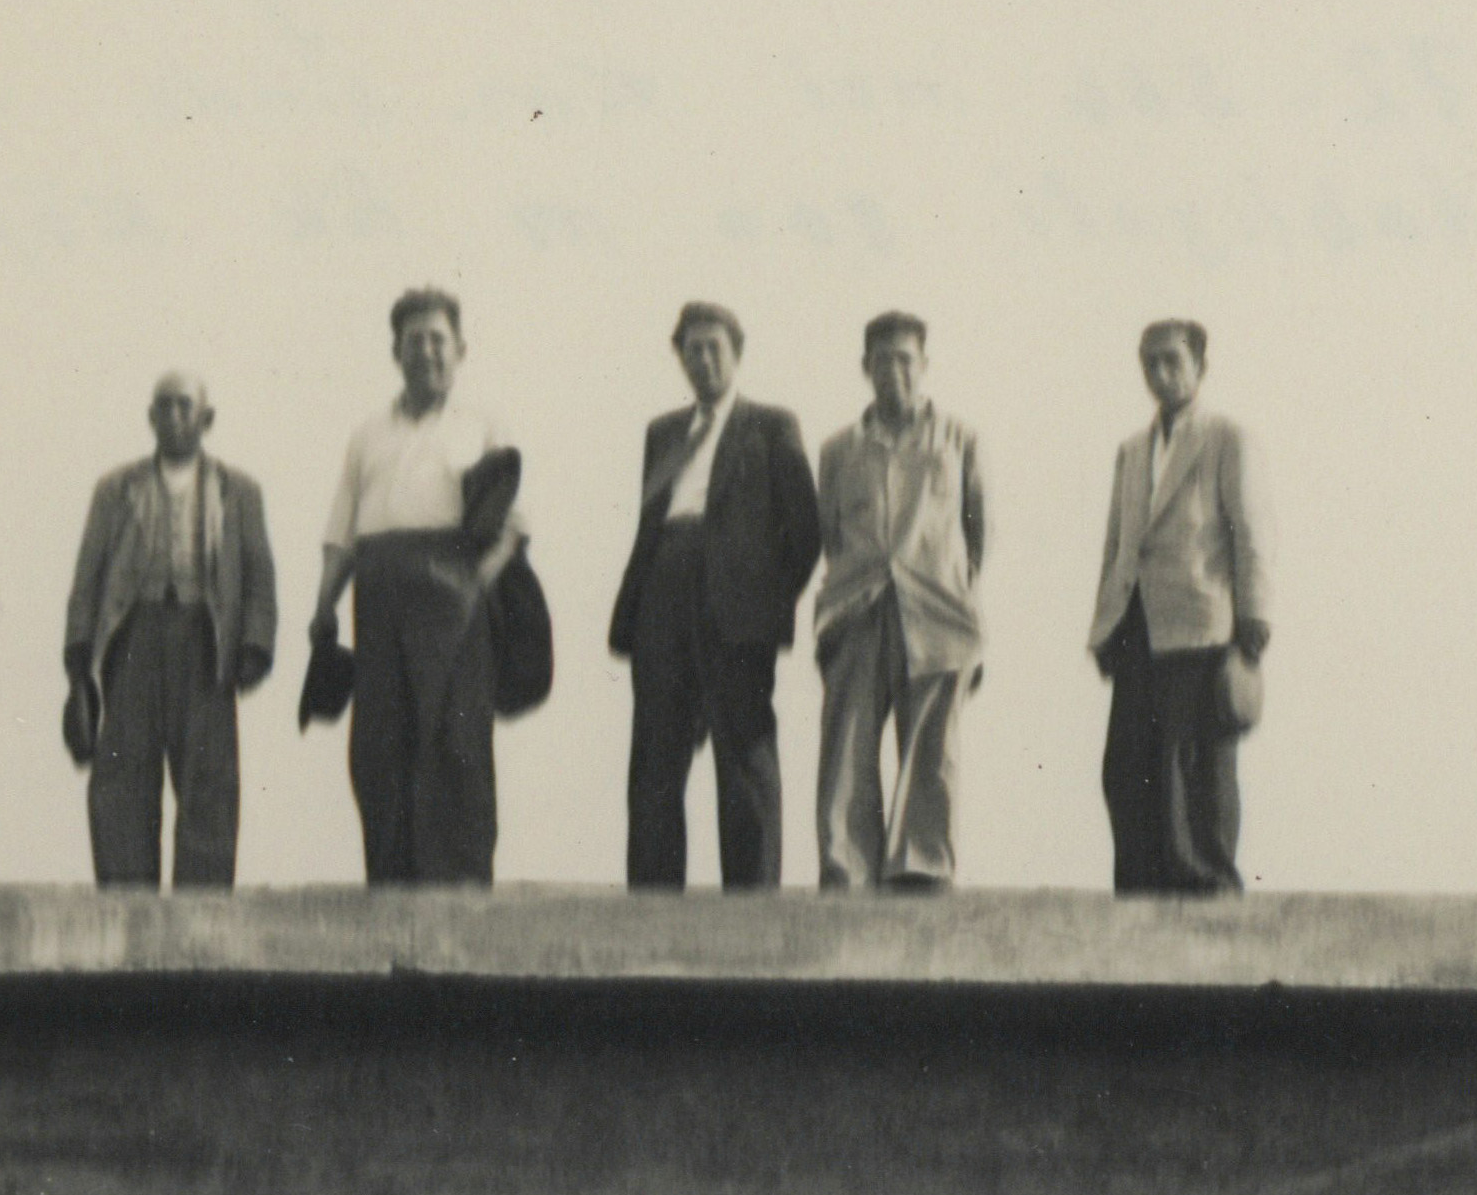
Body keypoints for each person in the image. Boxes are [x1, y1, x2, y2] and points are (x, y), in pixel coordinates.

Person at [302, 285, 550, 884]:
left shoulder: (484, 424)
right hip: (378, 594)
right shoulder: (367, 434)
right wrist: (324, 606)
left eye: (438, 339)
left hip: (454, 595)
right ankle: (392, 892)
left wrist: (474, 586)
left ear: (461, 349)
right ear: (396, 352)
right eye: (414, 341)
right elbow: (342, 531)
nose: (427, 351)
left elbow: (513, 527)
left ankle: (459, 896)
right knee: (379, 746)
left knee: (456, 744)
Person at [599, 301, 821, 889]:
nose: (703, 359)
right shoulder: (663, 433)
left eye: (713, 347)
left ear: (736, 353)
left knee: (744, 753)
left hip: (738, 605)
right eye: (691, 350)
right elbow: (649, 524)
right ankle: (653, 904)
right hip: (663, 593)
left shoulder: (772, 425)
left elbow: (805, 531)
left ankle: (750, 905)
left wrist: (766, 603)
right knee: (656, 754)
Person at [60, 372, 277, 887]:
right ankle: (126, 902)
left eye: (185, 406)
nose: (174, 417)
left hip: (205, 641)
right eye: (164, 407)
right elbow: (88, 574)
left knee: (210, 778)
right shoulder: (116, 488)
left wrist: (254, 645)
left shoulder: (239, 490)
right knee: (122, 775)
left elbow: (259, 575)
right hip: (133, 638)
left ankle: (202, 910)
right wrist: (78, 655)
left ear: (207, 417)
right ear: (150, 417)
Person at [1085, 316, 1272, 894]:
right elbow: (1117, 544)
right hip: (1136, 624)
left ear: (1200, 366)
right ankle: (1139, 890)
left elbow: (1251, 532)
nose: (1161, 373)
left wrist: (1253, 623)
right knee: (1127, 766)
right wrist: (1103, 626)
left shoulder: (1226, 438)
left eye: (1173, 361)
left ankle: (1207, 886)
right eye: (1150, 363)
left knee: (1194, 766)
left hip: (1201, 624)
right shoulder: (1132, 450)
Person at [807, 310, 984, 890]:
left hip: (937, 610)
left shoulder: (958, 439)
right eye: (882, 360)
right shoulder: (839, 449)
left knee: (933, 747)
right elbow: (830, 532)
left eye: (905, 359)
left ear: (924, 364)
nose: (894, 371)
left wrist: (947, 584)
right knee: (847, 743)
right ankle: (846, 867)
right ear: (865, 367)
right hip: (858, 605)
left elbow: (975, 532)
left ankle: (922, 867)